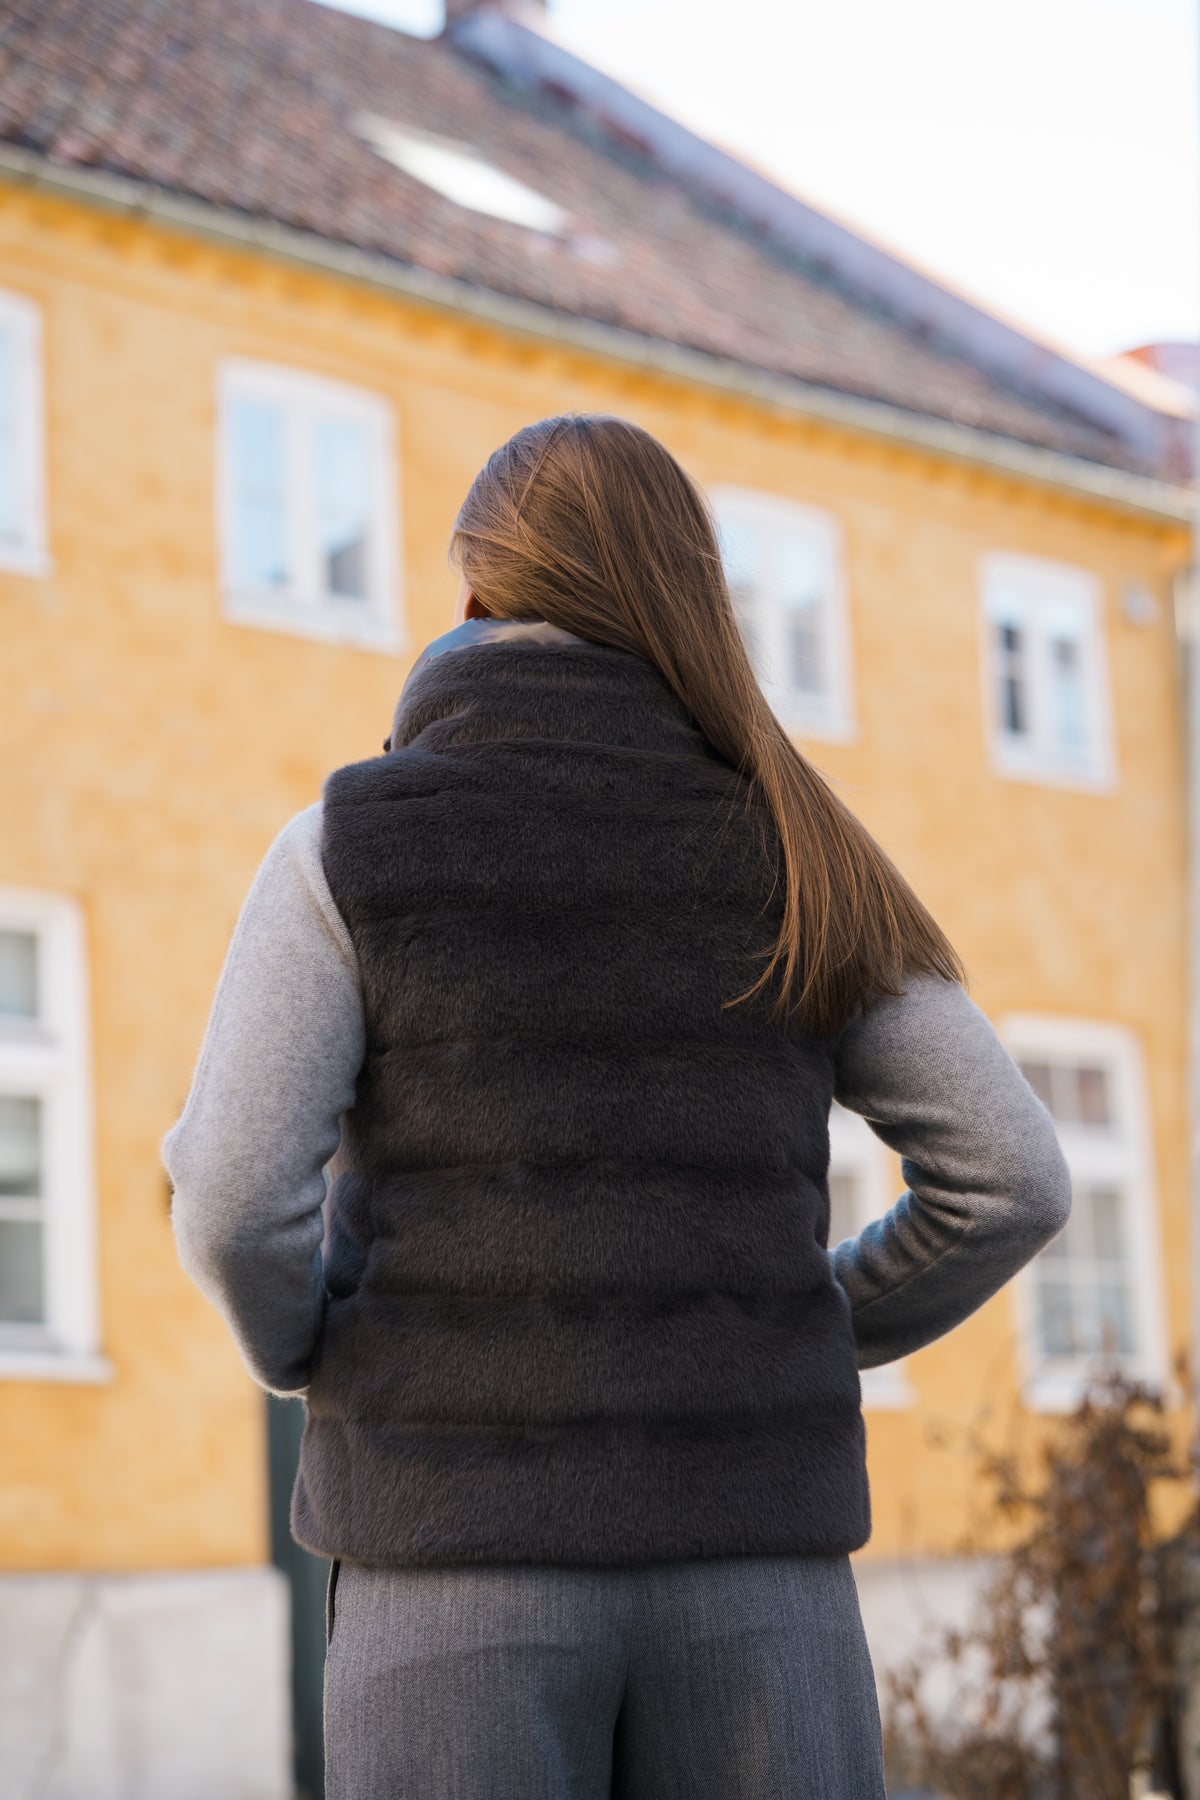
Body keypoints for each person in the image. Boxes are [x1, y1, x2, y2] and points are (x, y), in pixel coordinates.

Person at [163, 413, 1072, 1799]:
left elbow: (232, 1201)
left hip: (451, 1565)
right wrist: (783, 1327)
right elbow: (1012, 1178)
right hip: (761, 1575)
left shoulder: (348, 845)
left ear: (475, 593)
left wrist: (317, 1355)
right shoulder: (804, 846)